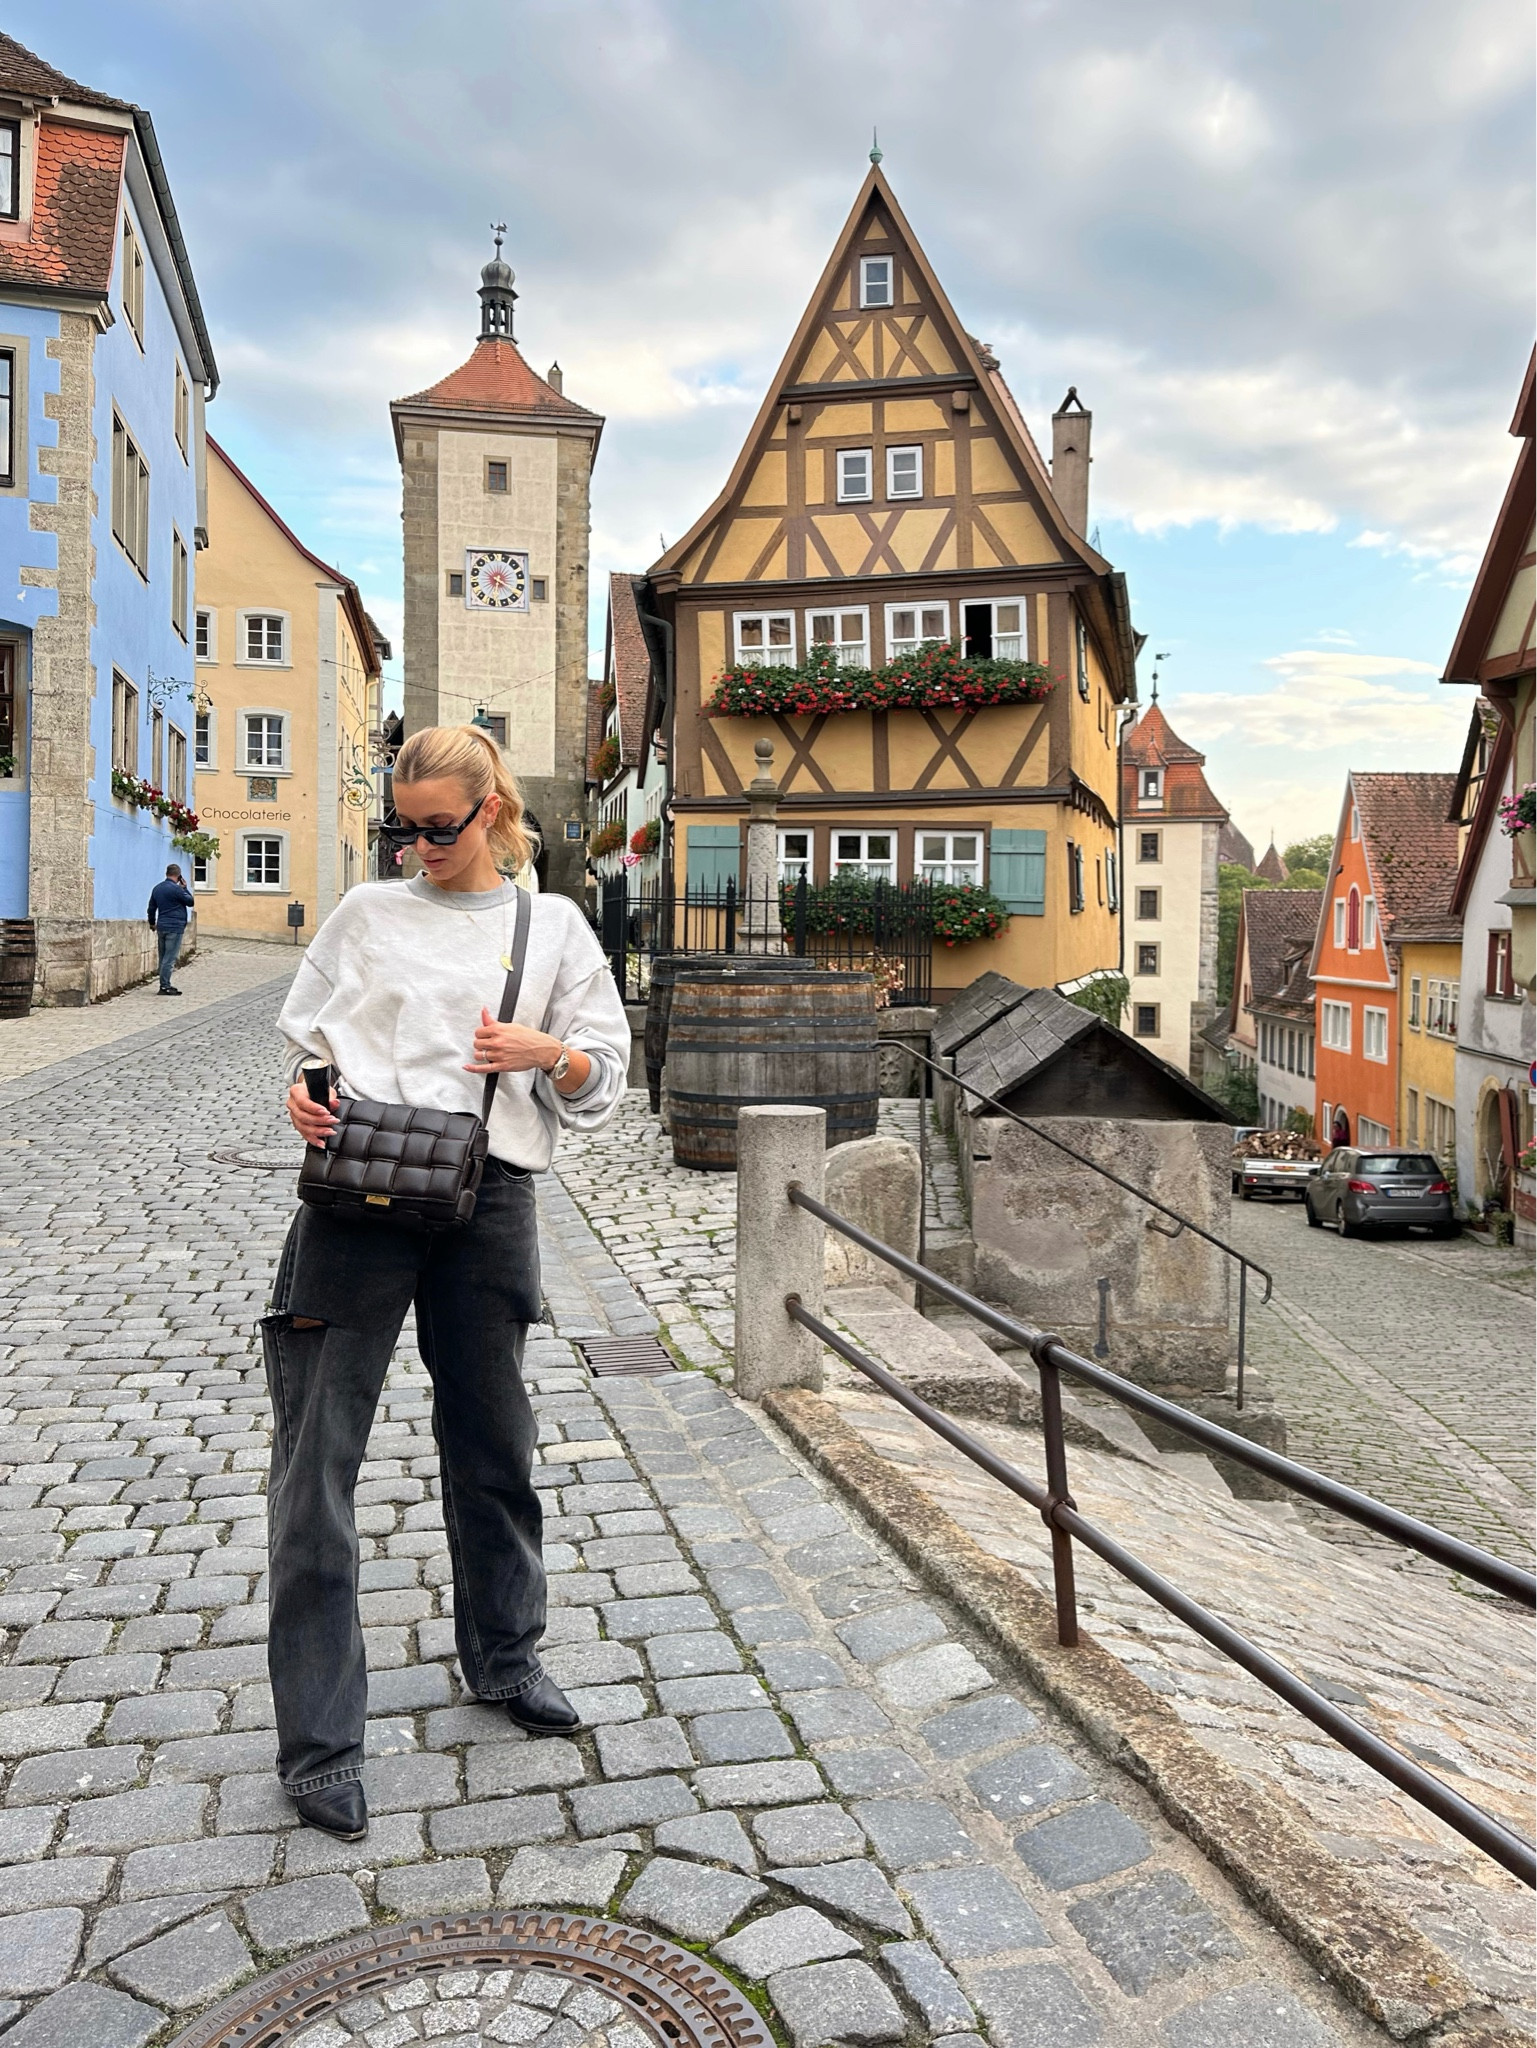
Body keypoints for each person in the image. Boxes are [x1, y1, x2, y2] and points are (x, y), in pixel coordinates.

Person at [267, 724, 629, 1842]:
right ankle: (320, 1744)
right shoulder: (366, 913)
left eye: (438, 827)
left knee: (493, 1445)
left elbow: (604, 1076)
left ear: (493, 811)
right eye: (403, 826)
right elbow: (314, 1043)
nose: (416, 846)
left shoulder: (551, 926)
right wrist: (306, 1092)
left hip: (491, 1201)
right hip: (355, 1199)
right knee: (316, 1464)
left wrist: (548, 1054)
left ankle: (506, 1657)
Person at [147, 864, 195, 994]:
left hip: (162, 926)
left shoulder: (157, 889)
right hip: (175, 926)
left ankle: (163, 983)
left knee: (163, 957)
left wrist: (152, 922)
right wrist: (185, 888)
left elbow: (151, 908)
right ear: (179, 876)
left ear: (166, 873)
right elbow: (190, 902)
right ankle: (165, 986)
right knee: (169, 958)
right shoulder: (177, 890)